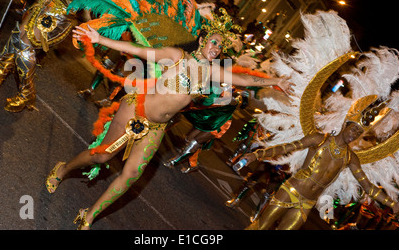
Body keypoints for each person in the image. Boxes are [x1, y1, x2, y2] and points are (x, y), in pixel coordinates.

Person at [45, 13, 294, 229]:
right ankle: (63, 169)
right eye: (214, 42)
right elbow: (140, 51)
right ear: (204, 39)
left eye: (220, 47)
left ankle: (88, 217)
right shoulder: (177, 56)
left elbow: (247, 81)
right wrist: (99, 39)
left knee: (131, 174)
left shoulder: (211, 72)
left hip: (157, 127)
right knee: (101, 156)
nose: (216, 48)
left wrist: (276, 82)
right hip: (135, 110)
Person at [244, 95, 399, 230]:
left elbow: (368, 186)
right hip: (291, 191)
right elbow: (286, 147)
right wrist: (257, 154)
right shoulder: (319, 139)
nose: (354, 134)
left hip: (307, 204)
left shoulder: (350, 158)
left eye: (359, 133)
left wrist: (392, 203)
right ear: (344, 125)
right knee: (261, 227)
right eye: (354, 129)